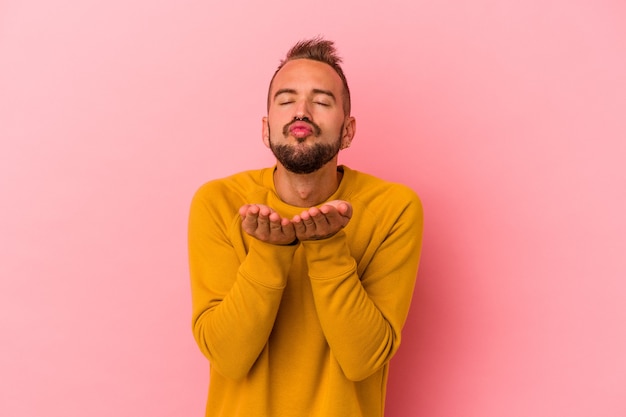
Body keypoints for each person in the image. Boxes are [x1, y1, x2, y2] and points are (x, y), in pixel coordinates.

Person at [188, 37, 424, 417]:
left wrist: (328, 246)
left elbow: (364, 360)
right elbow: (228, 358)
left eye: (321, 100)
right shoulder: (219, 203)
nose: (302, 111)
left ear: (348, 131)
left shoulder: (393, 208)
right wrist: (268, 252)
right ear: (266, 129)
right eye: (286, 100)